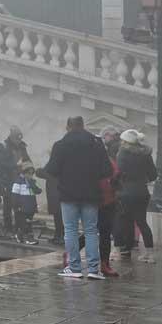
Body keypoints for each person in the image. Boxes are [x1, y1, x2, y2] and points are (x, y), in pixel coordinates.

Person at [43, 115, 109, 280]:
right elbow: (107, 170)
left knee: (71, 230)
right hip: (91, 194)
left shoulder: (61, 145)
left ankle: (74, 267)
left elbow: (50, 170)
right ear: (83, 125)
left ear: (68, 127)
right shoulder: (96, 144)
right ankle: (94, 269)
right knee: (91, 231)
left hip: (68, 193)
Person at [115, 129, 157, 261]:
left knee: (121, 220)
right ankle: (149, 254)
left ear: (125, 141)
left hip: (125, 192)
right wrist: (141, 180)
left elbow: (118, 173)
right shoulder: (145, 154)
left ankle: (119, 250)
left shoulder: (122, 153)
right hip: (142, 192)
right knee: (141, 222)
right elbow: (153, 175)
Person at [0, 127, 30, 234]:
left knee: (20, 205)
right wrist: (14, 166)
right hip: (8, 180)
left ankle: (19, 227)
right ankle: (8, 227)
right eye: (17, 138)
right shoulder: (3, 146)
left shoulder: (22, 147)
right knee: (8, 205)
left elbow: (27, 159)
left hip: (20, 179)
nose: (18, 141)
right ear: (11, 136)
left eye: (20, 138)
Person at [98, 129, 122, 277]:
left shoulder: (110, 161)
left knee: (105, 233)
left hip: (109, 200)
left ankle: (105, 263)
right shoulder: (92, 162)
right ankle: (70, 253)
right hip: (96, 200)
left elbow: (117, 177)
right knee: (92, 231)